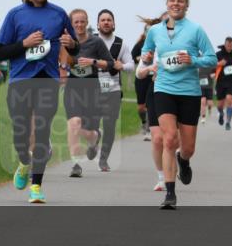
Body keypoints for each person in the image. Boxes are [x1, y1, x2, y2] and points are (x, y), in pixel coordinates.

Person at [0, 0, 78, 203]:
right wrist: (24, 43)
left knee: (42, 131)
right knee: (21, 133)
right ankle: (24, 161)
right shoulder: (15, 15)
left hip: (47, 79)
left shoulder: (59, 14)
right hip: (21, 80)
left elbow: (75, 49)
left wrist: (71, 44)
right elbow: (1, 51)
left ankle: (37, 186)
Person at [140, 0, 217, 209]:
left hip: (189, 93)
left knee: (188, 147)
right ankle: (170, 193)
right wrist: (146, 57)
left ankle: (184, 161)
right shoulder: (155, 31)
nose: (176, 4)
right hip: (163, 88)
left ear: (186, 5)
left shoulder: (195, 30)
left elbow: (211, 58)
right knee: (169, 139)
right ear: (167, 4)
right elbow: (146, 53)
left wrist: (192, 60)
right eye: (172, 0)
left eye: (180, 1)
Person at [63, 9, 113, 178]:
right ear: (71, 24)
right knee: (74, 123)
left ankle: (94, 137)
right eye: (76, 22)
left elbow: (110, 64)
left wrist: (92, 62)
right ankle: (76, 164)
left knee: (88, 130)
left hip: (92, 91)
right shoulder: (65, 43)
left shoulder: (96, 42)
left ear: (87, 23)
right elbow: (58, 61)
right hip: (72, 89)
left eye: (82, 21)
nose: (79, 25)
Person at [93, 9, 133, 171]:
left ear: (114, 23)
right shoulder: (91, 41)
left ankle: (103, 159)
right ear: (97, 24)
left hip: (113, 90)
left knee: (109, 125)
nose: (106, 22)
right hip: (93, 90)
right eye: (103, 20)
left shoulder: (121, 44)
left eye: (109, 20)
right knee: (91, 124)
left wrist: (122, 66)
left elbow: (131, 65)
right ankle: (93, 141)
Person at [131, 13, 167, 141]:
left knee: (151, 105)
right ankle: (144, 122)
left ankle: (150, 128)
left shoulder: (166, 43)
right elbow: (133, 57)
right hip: (143, 77)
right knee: (141, 106)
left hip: (157, 79)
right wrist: (142, 59)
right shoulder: (141, 44)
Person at [136, 55, 166, 190]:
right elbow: (139, 73)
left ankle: (181, 160)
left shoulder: (182, 43)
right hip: (155, 90)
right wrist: (150, 67)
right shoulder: (152, 47)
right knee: (158, 138)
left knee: (173, 140)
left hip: (178, 91)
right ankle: (161, 178)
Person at [214, 37, 232, 130]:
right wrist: (219, 64)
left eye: (231, 45)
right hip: (220, 81)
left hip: (231, 81)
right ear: (225, 44)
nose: (229, 47)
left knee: (230, 99)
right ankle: (221, 113)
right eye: (227, 45)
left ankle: (228, 122)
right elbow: (210, 63)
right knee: (220, 105)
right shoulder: (218, 54)